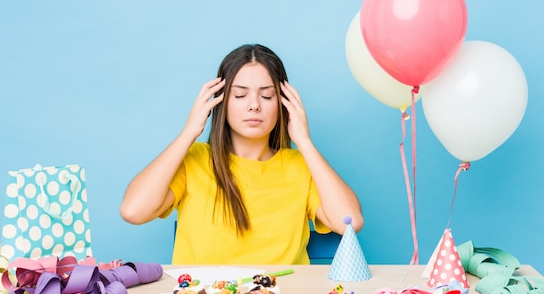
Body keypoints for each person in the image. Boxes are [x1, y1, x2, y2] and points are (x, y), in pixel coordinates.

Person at [120, 44, 363, 264]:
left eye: (266, 95)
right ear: (221, 102)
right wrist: (188, 133)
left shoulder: (300, 166)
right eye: (240, 95)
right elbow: (133, 211)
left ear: (283, 103)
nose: (254, 105)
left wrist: (304, 141)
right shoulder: (194, 159)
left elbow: (351, 221)